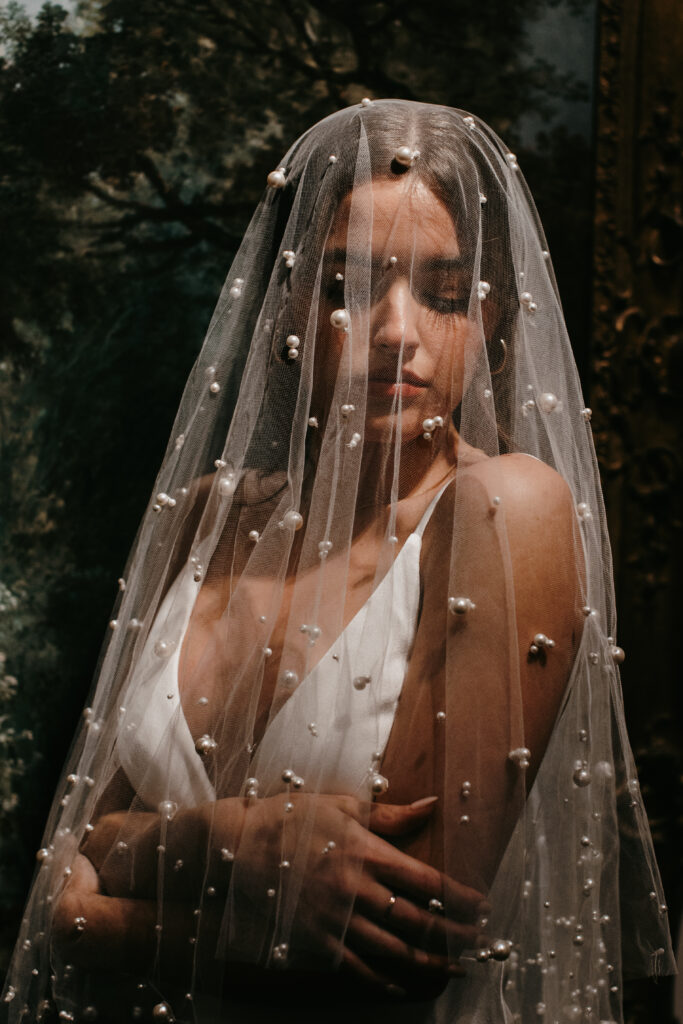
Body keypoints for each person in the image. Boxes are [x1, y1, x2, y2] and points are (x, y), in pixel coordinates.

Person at [2, 99, 674, 1024]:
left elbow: (400, 950)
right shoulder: (207, 519)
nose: (396, 330)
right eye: (349, 287)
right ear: (286, 303)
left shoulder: (502, 511)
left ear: (486, 320)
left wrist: (95, 916)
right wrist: (243, 840)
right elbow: (59, 856)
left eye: (443, 293)